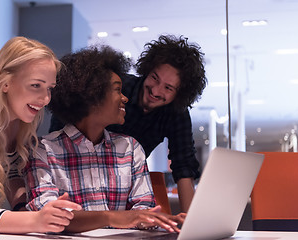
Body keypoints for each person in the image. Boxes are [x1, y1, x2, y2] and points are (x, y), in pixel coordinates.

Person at [25, 45, 185, 233]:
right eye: (118, 90)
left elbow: (143, 210)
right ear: (92, 95)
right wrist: (113, 216)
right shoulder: (42, 151)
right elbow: (48, 217)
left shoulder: (131, 149)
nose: (125, 98)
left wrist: (151, 219)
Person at [50, 35, 207, 213]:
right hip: (78, 177)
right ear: (147, 70)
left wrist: (190, 223)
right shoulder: (115, 87)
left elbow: (184, 166)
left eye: (168, 88)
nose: (156, 90)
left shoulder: (140, 145)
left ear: (179, 94)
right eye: (154, 78)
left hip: (125, 190)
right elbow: (64, 124)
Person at [0, 36, 81, 234]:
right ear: (5, 83)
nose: (45, 99)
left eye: (49, 88)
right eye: (36, 85)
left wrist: (29, 210)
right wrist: (35, 220)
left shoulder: (19, 120)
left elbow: (11, 176)